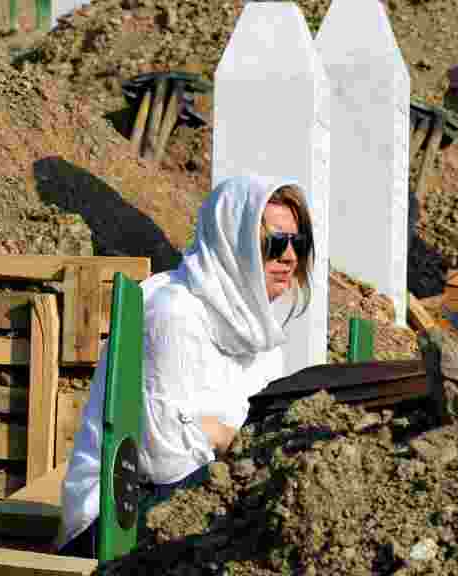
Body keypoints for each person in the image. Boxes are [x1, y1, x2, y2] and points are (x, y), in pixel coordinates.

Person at [56, 173, 316, 558]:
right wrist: (237, 441)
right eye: (274, 243)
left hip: (192, 503)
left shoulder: (260, 336)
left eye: (299, 242)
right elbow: (168, 461)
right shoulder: (174, 312)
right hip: (113, 522)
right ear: (234, 244)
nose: (290, 258)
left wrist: (219, 435)